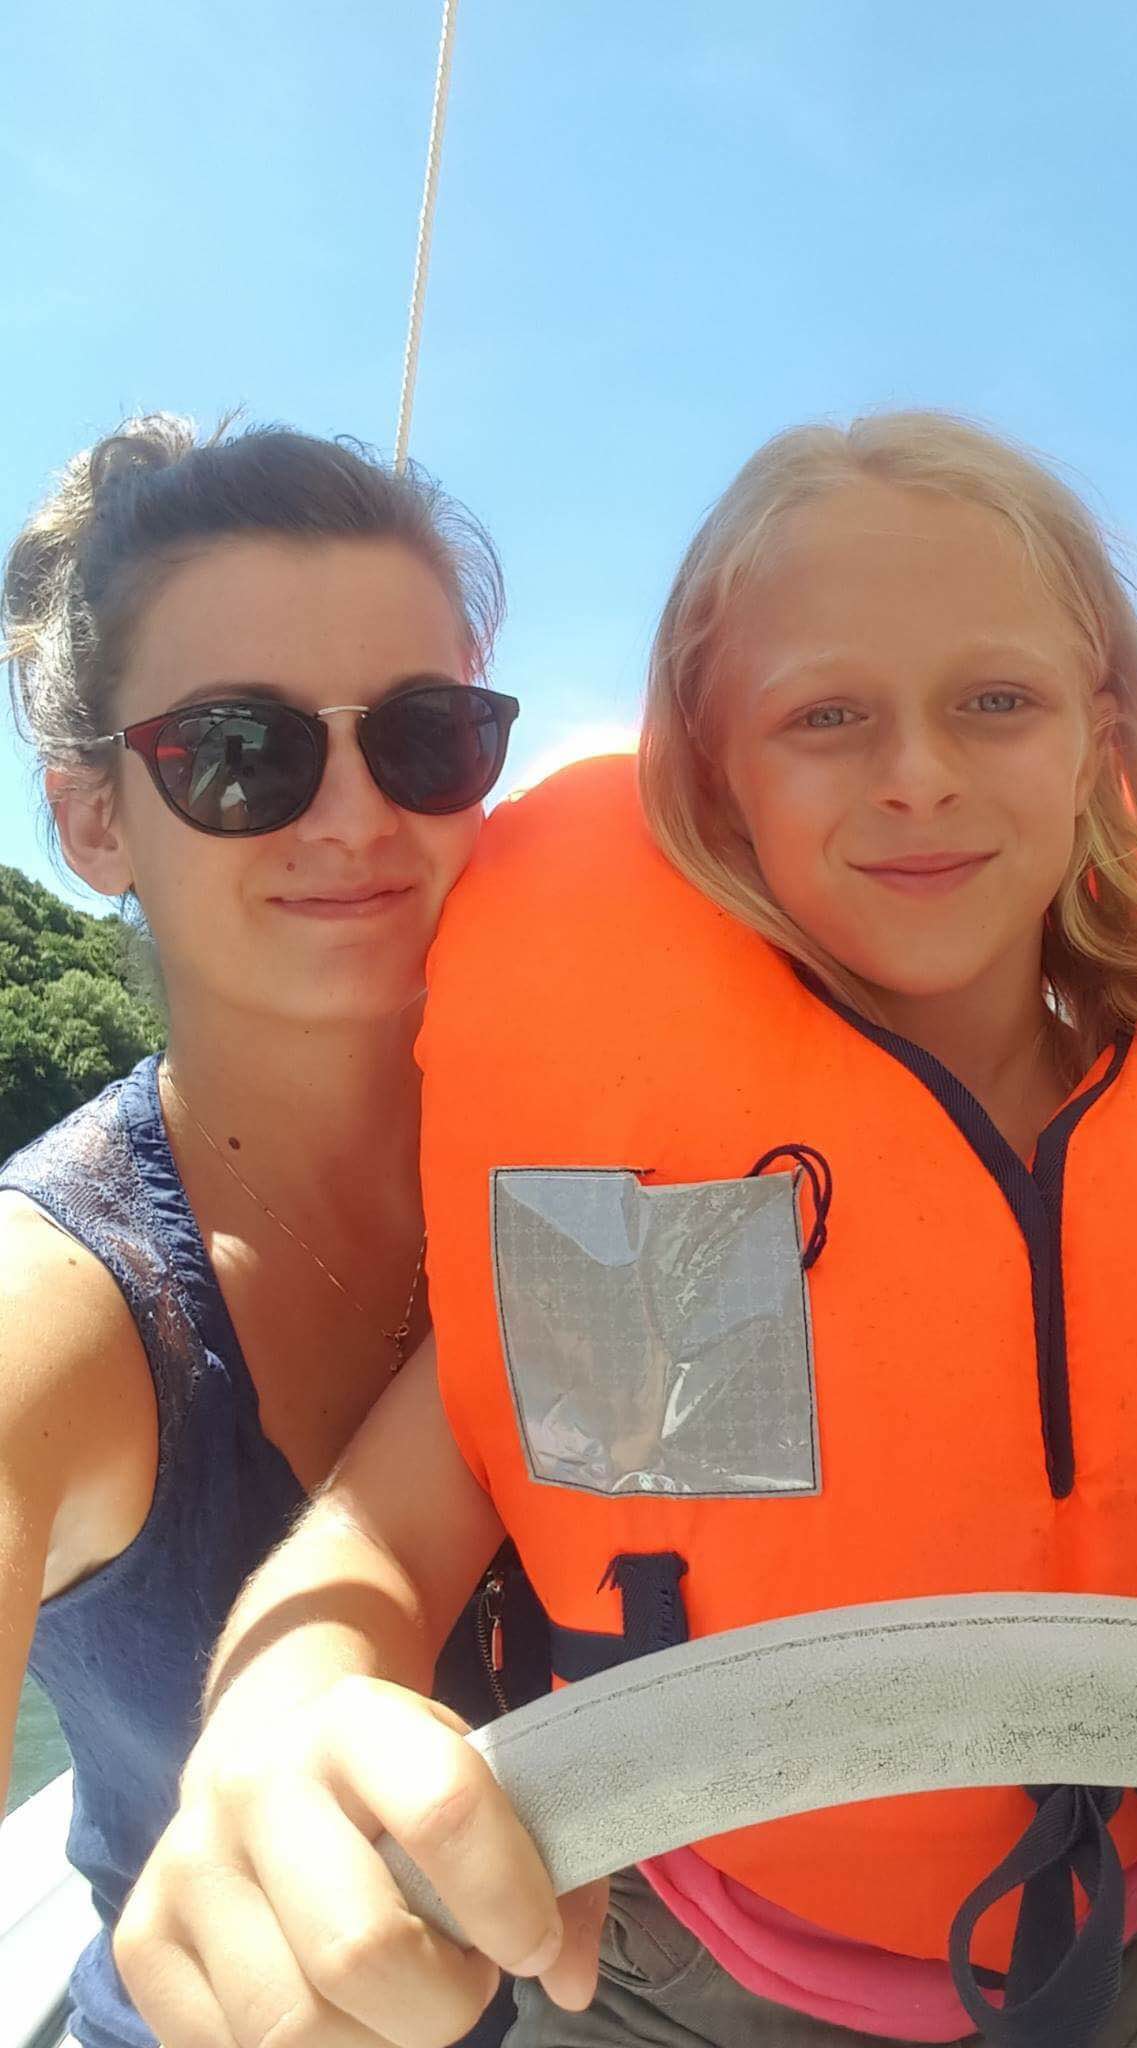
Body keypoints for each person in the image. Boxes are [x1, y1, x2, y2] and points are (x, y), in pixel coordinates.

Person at [118, 413, 1137, 2048]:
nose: (917, 772)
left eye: (995, 701)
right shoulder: (672, 1198)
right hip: (680, 1981)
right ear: (718, 773)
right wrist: (275, 1731)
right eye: (826, 716)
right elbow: (379, 1548)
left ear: (1101, 740)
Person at [0, 416, 546, 2048]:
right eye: (241, 751)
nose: (359, 816)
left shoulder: (605, 1174)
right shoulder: (54, 1308)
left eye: (426, 736)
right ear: (96, 823)